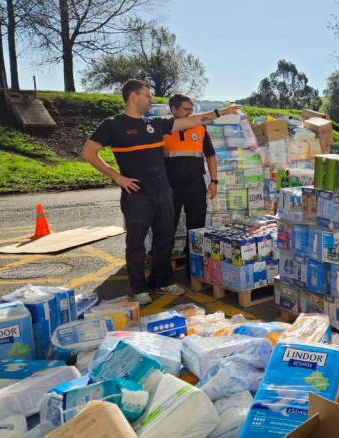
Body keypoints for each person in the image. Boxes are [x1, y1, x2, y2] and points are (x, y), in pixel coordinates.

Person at [80, 79, 239, 305]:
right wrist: (117, 177)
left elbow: (192, 121)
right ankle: (139, 289)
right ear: (133, 96)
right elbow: (88, 153)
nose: (151, 100)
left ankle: (164, 282)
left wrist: (222, 112)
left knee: (165, 239)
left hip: (163, 191)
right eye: (147, 95)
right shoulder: (113, 125)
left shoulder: (154, 124)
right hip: (137, 195)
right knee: (135, 243)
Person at [163, 93, 218, 265]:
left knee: (196, 228)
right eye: (186, 110)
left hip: (195, 184)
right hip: (170, 186)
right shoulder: (163, 129)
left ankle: (193, 267)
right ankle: (162, 270)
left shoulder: (200, 129)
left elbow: (210, 156)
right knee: (166, 227)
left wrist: (214, 181)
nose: (191, 113)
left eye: (192, 110)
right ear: (174, 109)